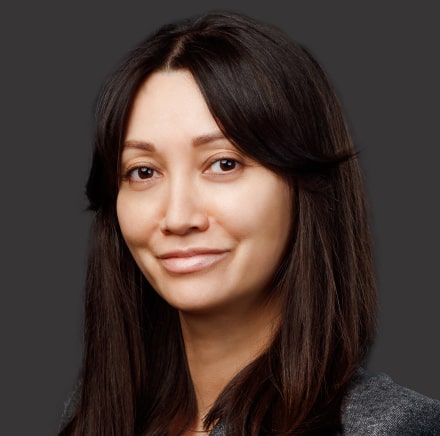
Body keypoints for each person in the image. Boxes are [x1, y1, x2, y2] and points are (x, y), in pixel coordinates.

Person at [59, 11, 440, 435]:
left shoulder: (389, 427)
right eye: (143, 171)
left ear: (304, 187)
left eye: (224, 164)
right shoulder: (93, 415)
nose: (178, 217)